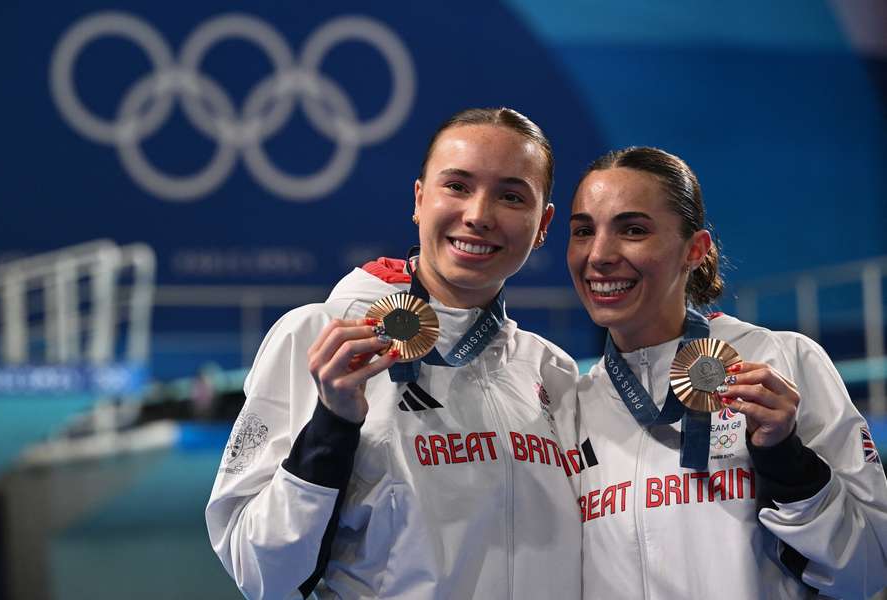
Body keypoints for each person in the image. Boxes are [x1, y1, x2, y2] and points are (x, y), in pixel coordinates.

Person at [206, 108, 583, 599]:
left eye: (511, 196)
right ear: (419, 198)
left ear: (542, 225)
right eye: (457, 186)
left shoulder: (552, 371)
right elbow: (261, 573)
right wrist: (332, 427)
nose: (479, 215)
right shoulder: (318, 336)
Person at [568, 146, 887, 599]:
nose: (598, 254)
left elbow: (870, 569)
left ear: (695, 250)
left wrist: (788, 463)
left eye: (633, 229)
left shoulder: (784, 360)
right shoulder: (574, 402)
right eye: (583, 231)